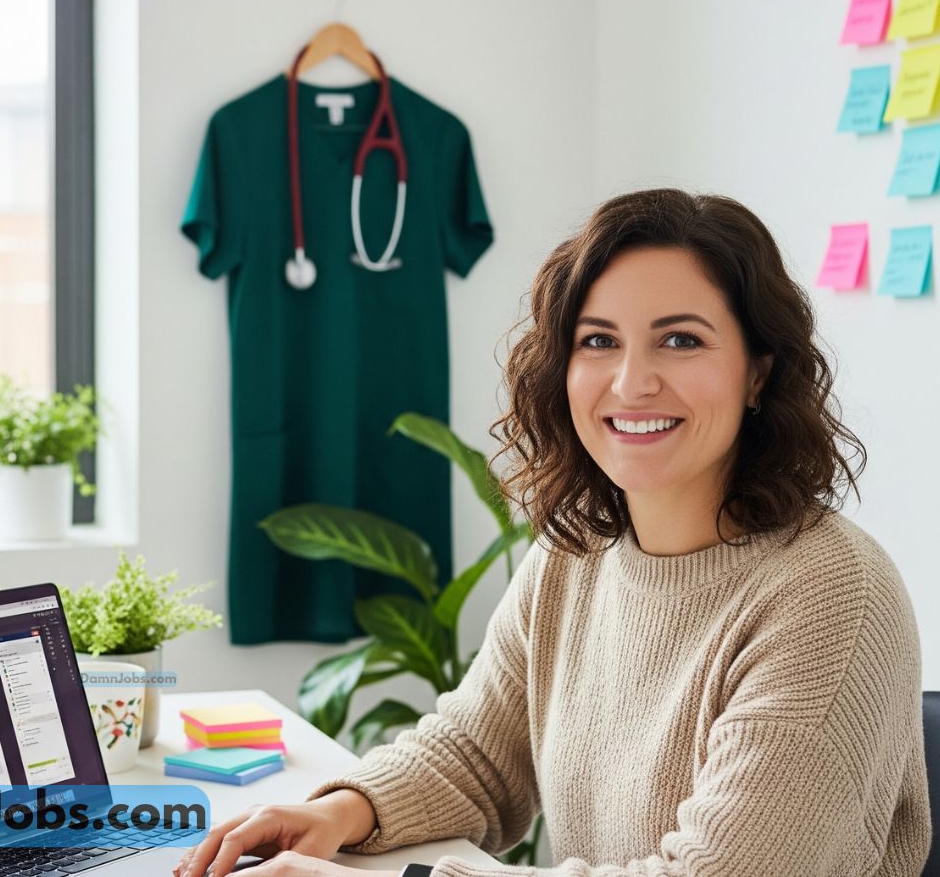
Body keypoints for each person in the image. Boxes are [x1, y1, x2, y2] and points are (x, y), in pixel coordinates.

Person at [174, 190, 931, 877]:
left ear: (758, 373)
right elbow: (475, 751)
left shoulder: (832, 595)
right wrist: (339, 811)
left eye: (681, 341)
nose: (631, 382)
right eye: (598, 341)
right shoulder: (576, 554)